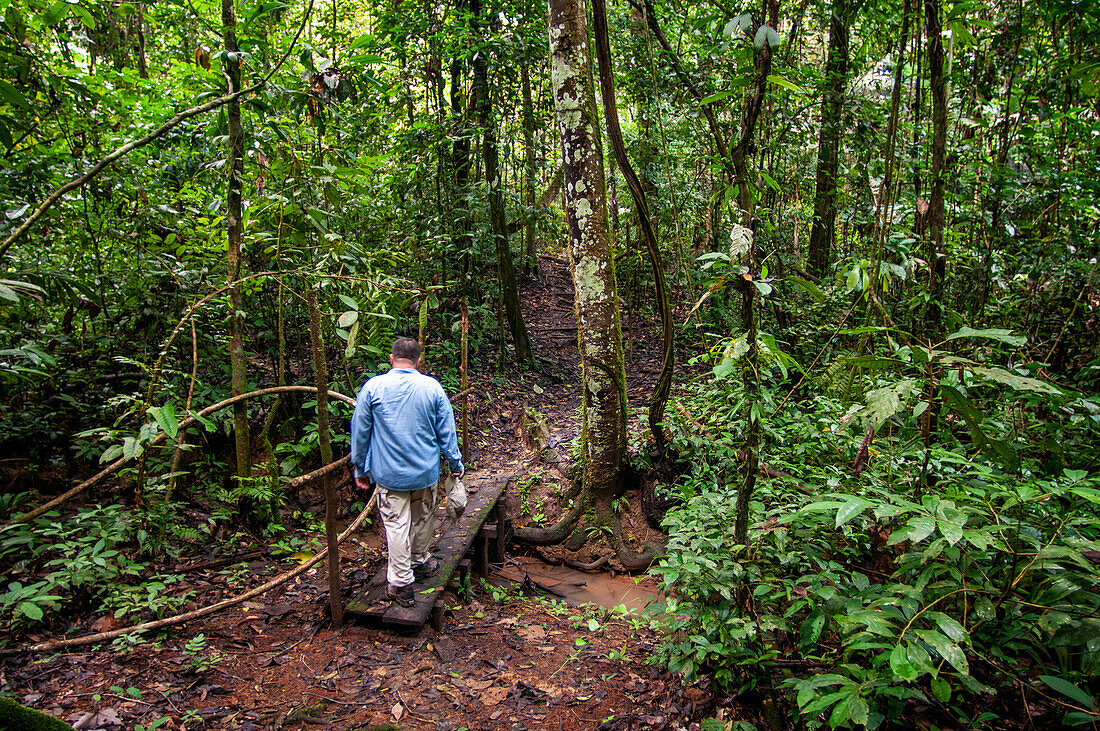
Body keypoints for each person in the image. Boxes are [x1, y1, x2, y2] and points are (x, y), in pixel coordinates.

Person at [350, 338, 464, 607]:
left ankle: (402, 584)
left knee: (396, 526)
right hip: (425, 471)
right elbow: (447, 431)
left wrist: (360, 467)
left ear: (391, 359)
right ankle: (419, 561)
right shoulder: (432, 387)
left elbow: (360, 432)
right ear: (419, 361)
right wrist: (455, 463)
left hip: (389, 474)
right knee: (423, 519)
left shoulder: (373, 387)